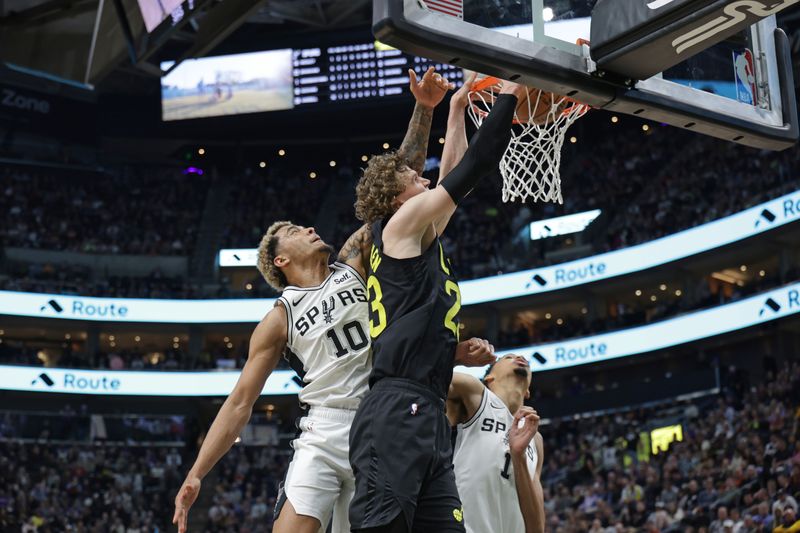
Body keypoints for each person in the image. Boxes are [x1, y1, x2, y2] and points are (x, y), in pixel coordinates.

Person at [171, 67, 491, 533]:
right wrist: (197, 472)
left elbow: (395, 186)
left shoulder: (353, 260)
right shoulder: (280, 317)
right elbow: (241, 401)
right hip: (325, 429)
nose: (308, 228)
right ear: (279, 259)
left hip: (382, 419)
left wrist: (424, 108)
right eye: (295, 232)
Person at [348, 76, 528, 532]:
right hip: (396, 410)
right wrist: (514, 92)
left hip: (425, 407)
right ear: (395, 198)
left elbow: (452, 179)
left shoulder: (414, 233)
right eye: (413, 178)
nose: (424, 178)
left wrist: (457, 107)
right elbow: (475, 166)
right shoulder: (399, 224)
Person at [447, 354, 545, 533]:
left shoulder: (535, 439)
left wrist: (519, 456)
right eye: (508, 357)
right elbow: (427, 375)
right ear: (489, 378)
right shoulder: (476, 395)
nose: (521, 357)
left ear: (528, 390)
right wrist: (457, 356)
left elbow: (536, 527)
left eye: (525, 360)